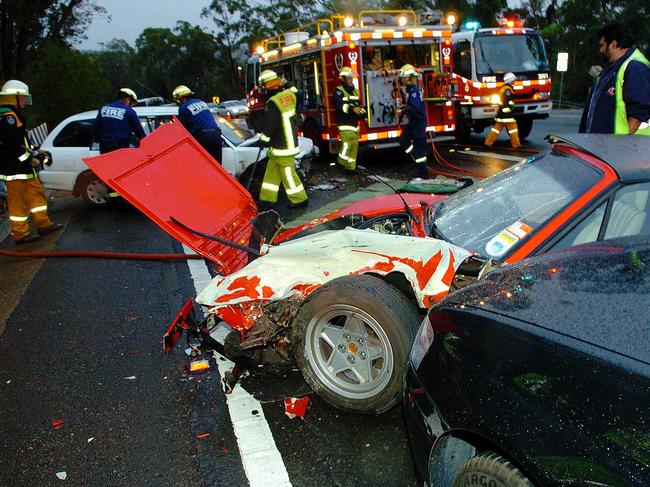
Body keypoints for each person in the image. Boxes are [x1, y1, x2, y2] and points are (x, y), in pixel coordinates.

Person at [0, 80, 62, 244]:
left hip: (25, 167)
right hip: (14, 170)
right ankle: (20, 235)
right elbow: (11, 144)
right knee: (18, 202)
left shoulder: (14, 115)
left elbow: (23, 141)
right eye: (23, 99)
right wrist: (30, 159)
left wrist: (36, 151)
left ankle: (43, 224)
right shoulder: (8, 117)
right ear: (15, 97)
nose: (26, 102)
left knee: (37, 195)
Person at [581, 23, 650, 135]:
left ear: (613, 44)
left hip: (621, 147)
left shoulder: (635, 67)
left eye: (602, 45)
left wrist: (623, 143)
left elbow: (638, 113)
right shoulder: (612, 69)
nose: (601, 50)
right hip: (606, 145)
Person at [256, 69, 308, 208]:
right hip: (286, 142)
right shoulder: (289, 95)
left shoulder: (273, 102)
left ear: (267, 86)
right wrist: (287, 83)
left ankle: (300, 199)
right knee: (272, 172)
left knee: (288, 174)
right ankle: (267, 198)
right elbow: (298, 94)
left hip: (282, 145)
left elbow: (270, 124)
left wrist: (262, 139)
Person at [172, 85, 223, 163]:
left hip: (202, 136)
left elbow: (182, 129)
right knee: (217, 166)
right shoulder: (201, 102)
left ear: (180, 98)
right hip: (216, 135)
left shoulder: (183, 107)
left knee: (202, 164)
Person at [396, 64, 429, 180]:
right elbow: (413, 105)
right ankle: (415, 154)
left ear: (409, 78)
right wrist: (405, 106)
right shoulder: (411, 89)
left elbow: (414, 108)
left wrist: (403, 111)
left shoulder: (414, 90)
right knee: (403, 140)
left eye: (404, 78)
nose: (403, 80)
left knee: (419, 150)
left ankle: (423, 173)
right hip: (414, 122)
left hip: (418, 122)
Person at [92, 88, 146, 154]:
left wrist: (100, 139)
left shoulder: (104, 108)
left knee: (107, 164)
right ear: (128, 99)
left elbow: (94, 128)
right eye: (130, 102)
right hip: (121, 149)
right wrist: (146, 144)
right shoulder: (130, 112)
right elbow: (139, 132)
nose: (130, 105)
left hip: (104, 148)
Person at [333, 67, 366, 172]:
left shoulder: (355, 91)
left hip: (354, 123)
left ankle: (351, 167)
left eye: (352, 77)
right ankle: (340, 163)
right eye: (349, 78)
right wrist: (353, 109)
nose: (351, 79)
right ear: (343, 79)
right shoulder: (338, 91)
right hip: (344, 122)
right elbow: (340, 106)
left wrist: (364, 115)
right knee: (348, 144)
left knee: (354, 145)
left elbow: (359, 106)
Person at [484, 72, 521, 148]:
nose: (514, 81)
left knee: (496, 130)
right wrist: (511, 109)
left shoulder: (504, 89)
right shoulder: (507, 90)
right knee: (513, 129)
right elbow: (507, 102)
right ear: (510, 81)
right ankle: (516, 145)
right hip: (507, 115)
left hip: (501, 115)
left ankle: (488, 143)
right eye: (513, 80)